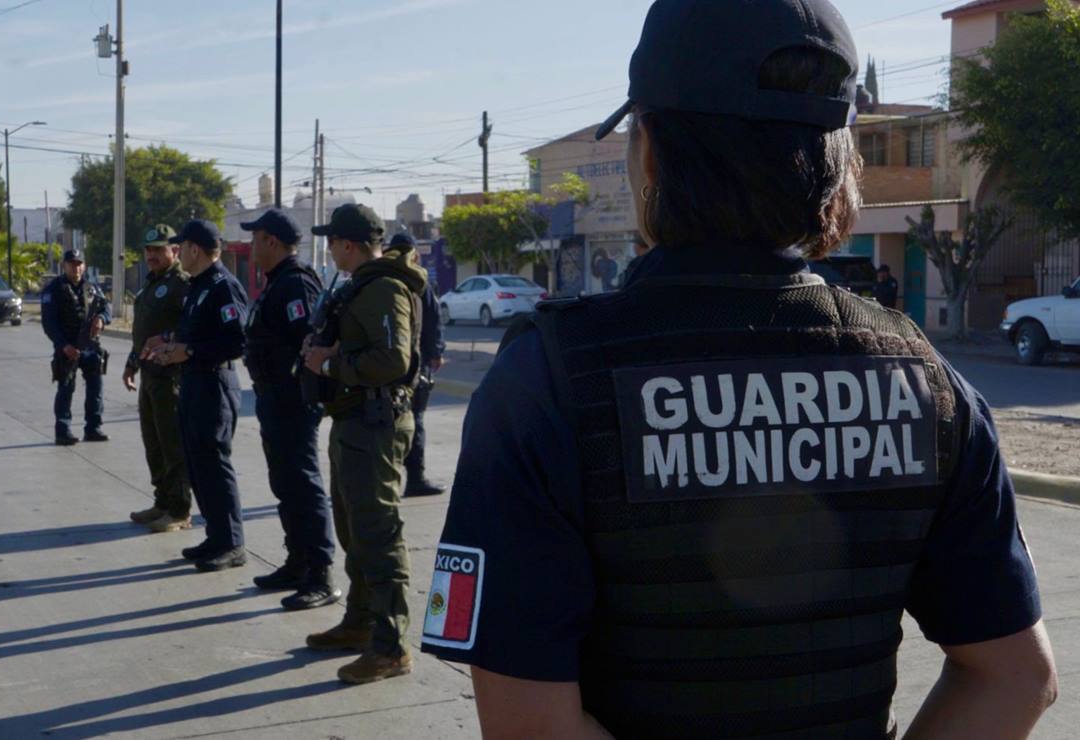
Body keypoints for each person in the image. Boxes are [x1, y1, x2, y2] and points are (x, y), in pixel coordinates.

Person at [420, 1, 1058, 738]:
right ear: (839, 165)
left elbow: (529, 725)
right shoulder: (925, 381)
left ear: (650, 154)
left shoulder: (548, 380)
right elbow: (1017, 678)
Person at [300, 203, 426, 684]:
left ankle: (391, 646)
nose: (330, 249)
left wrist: (331, 365)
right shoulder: (360, 285)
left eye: (332, 241)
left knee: (378, 534)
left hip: (375, 425)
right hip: (353, 421)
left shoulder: (384, 288)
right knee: (353, 530)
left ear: (348, 244)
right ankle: (360, 622)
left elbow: (393, 359)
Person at [241, 208, 340, 610]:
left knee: (302, 483)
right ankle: (297, 561)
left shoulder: (296, 283)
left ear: (272, 241)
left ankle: (320, 573)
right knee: (285, 483)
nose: (251, 246)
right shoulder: (278, 281)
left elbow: (309, 338)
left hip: (293, 400)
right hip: (274, 399)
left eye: (255, 238)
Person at [143, 220, 249, 572]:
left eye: (181, 246)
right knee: (198, 465)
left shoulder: (222, 286)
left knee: (215, 466)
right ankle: (216, 537)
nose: (177, 252)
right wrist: (169, 342)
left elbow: (236, 341)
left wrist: (188, 351)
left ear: (195, 249)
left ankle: (232, 543)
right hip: (193, 383)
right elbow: (196, 331)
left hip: (214, 385)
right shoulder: (198, 286)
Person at [123, 225, 193, 533]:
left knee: (172, 445)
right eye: (148, 250)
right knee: (153, 445)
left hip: (170, 377)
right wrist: (131, 363)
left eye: (158, 250)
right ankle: (162, 502)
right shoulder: (151, 282)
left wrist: (167, 338)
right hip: (150, 375)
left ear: (174, 251)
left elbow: (191, 327)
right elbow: (143, 330)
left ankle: (179, 510)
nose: (151, 255)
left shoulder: (182, 284)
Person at [388, 234, 447, 497]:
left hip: (387, 364)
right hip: (415, 364)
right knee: (415, 420)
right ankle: (416, 479)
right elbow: (434, 319)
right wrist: (436, 353)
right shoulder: (418, 281)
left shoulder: (382, 279)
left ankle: (389, 477)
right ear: (414, 254)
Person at [42, 250, 110, 446]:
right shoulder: (54, 289)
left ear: (84, 266)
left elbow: (105, 308)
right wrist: (63, 345)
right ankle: (63, 431)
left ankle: (93, 428)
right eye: (72, 264)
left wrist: (101, 319)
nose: (76, 267)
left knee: (96, 388)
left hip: (90, 346)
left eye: (79, 263)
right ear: (64, 266)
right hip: (67, 347)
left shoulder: (92, 288)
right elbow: (49, 323)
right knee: (66, 388)